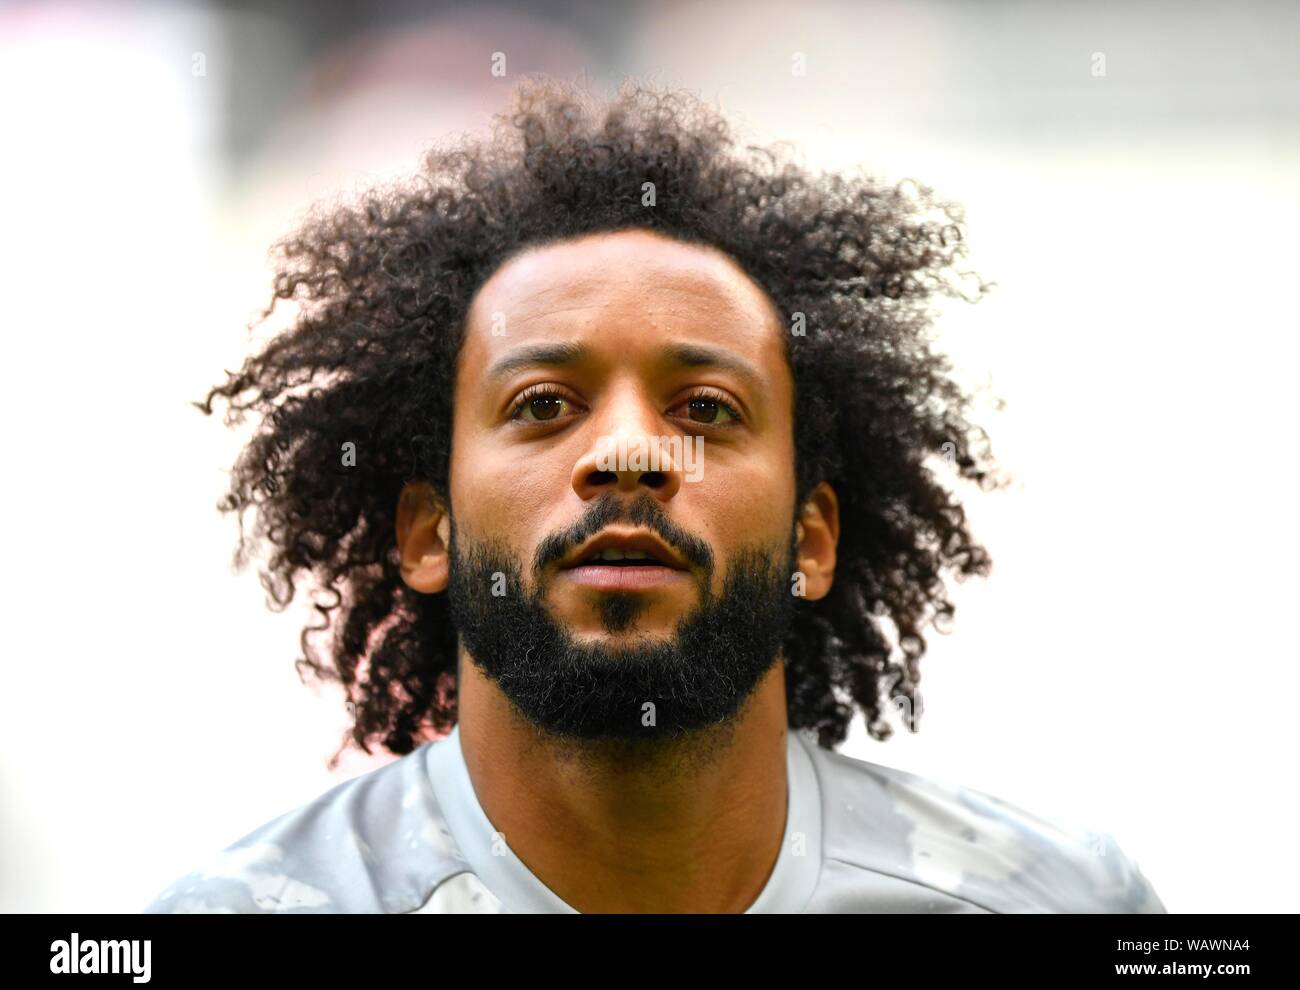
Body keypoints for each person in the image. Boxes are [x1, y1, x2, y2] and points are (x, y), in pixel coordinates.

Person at [144, 77, 1164, 914]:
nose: (631, 452)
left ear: (812, 540)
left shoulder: (1062, 900)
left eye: (707, 408)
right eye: (544, 402)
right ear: (427, 532)